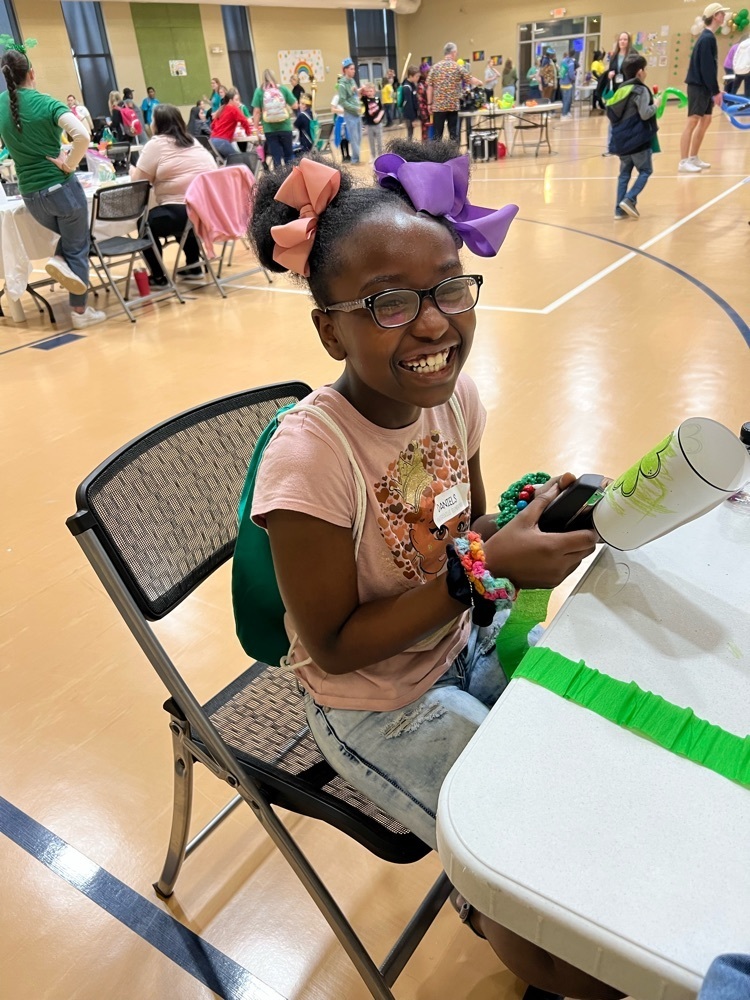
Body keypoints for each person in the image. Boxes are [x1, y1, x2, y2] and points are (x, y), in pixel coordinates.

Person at [247, 141, 625, 1000]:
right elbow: (336, 649)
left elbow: (470, 529)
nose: (433, 323)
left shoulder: (455, 399)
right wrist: (478, 572)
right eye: (388, 303)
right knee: (521, 870)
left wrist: (528, 524)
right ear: (327, 325)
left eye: (450, 287)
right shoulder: (310, 461)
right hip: (379, 709)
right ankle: (502, 913)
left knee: (579, 775)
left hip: (462, 638)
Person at [0, 47, 105, 329]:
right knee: (77, 244)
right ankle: (80, 312)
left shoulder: (0, 105)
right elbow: (82, 135)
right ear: (31, 73)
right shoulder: (46, 103)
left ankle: (58, 259)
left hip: (31, 196)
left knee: (71, 242)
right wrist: (69, 164)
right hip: (61, 189)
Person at [129, 103, 216, 286]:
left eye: (152, 120)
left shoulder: (156, 144)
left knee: (146, 223)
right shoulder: (193, 141)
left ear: (158, 124)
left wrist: (132, 171)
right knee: (178, 214)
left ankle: (159, 275)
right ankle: (194, 265)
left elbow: (138, 183)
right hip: (206, 210)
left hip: (183, 211)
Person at [680, 2, 730, 173]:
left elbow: (709, 68)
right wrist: (715, 92)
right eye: (722, 13)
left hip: (705, 87)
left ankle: (693, 157)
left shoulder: (708, 37)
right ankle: (683, 161)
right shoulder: (707, 38)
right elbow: (707, 67)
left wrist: (714, 89)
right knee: (693, 120)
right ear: (715, 16)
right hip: (697, 86)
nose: (724, 16)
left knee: (706, 120)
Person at [606, 54, 658, 221]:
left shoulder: (621, 90)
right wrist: (655, 105)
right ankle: (629, 199)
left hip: (622, 141)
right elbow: (644, 113)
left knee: (624, 175)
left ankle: (618, 211)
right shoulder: (640, 89)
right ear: (640, 72)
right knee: (645, 170)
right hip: (638, 140)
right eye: (646, 69)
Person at [426, 42, 483, 142]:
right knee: (453, 135)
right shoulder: (457, 67)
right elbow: (469, 79)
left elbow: (429, 87)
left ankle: (436, 156)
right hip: (452, 106)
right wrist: (479, 82)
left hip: (439, 107)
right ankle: (454, 155)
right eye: (456, 53)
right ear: (453, 53)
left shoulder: (435, 67)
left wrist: (429, 104)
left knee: (437, 136)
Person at [251, 70, 297, 168]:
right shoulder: (282, 89)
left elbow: (256, 112)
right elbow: (295, 105)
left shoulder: (259, 91)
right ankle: (292, 179)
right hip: (285, 127)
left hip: (269, 129)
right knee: (289, 155)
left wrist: (256, 129)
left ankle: (279, 182)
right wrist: (284, 107)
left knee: (276, 158)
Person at [600, 34, 635, 155]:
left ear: (628, 41)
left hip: (628, 90)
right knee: (613, 118)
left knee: (628, 118)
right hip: (616, 91)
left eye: (625, 39)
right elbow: (610, 70)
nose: (622, 42)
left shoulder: (632, 56)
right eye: (621, 39)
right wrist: (610, 75)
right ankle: (611, 147)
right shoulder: (614, 56)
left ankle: (628, 146)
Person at [210, 87, 253, 160]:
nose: (238, 102)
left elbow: (212, 125)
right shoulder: (233, 108)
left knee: (227, 161)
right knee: (238, 160)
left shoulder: (222, 108)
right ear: (230, 100)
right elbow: (244, 121)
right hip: (222, 141)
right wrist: (248, 133)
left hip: (212, 140)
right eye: (236, 100)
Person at [337, 57, 363, 166]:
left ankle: (356, 157)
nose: (354, 71)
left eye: (354, 69)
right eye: (351, 69)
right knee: (354, 137)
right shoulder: (342, 84)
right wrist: (354, 108)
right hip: (350, 114)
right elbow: (342, 102)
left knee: (359, 137)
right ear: (346, 70)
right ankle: (355, 159)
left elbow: (355, 95)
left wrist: (360, 91)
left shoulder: (352, 81)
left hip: (358, 113)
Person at [361, 84, 384, 159]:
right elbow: (360, 94)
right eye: (367, 91)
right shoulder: (365, 100)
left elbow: (382, 110)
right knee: (371, 142)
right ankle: (373, 156)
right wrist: (363, 88)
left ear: (374, 91)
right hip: (369, 124)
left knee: (379, 142)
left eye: (371, 91)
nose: (369, 93)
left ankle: (380, 156)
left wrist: (379, 117)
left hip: (378, 124)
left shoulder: (377, 99)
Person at [401, 65, 421, 140]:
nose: (418, 78)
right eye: (416, 76)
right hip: (409, 115)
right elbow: (408, 105)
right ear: (410, 76)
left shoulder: (412, 85)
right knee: (410, 134)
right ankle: (408, 149)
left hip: (413, 114)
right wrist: (413, 119)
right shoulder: (407, 87)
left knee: (411, 133)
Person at [559, 51, 577, 118]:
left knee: (564, 99)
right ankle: (564, 114)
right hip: (568, 83)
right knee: (568, 99)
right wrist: (574, 78)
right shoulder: (571, 62)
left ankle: (565, 112)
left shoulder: (563, 61)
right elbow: (571, 74)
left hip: (562, 82)